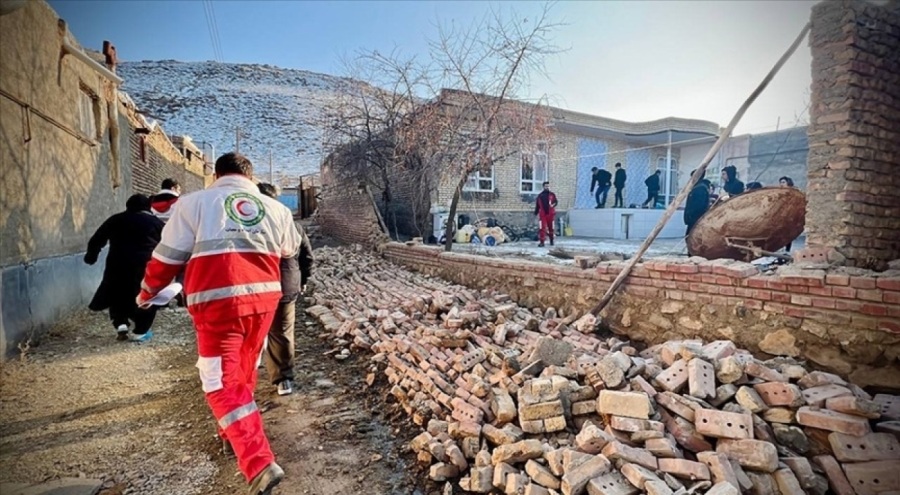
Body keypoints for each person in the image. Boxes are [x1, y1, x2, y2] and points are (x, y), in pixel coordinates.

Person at [137, 153, 300, 495]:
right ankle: (230, 435)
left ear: (215, 174)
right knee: (241, 372)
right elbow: (289, 250)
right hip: (263, 303)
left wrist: (147, 292)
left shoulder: (194, 203)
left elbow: (166, 258)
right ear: (250, 177)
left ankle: (258, 463)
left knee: (219, 383)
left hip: (217, 304)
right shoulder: (277, 209)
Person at [257, 183, 314, 396]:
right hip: (285, 283)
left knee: (252, 327)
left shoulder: (245, 224)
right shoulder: (291, 223)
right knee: (282, 331)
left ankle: (244, 373)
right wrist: (304, 280)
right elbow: (307, 256)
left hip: (252, 284)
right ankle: (283, 379)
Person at [85, 194, 164, 342]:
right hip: (144, 265)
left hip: (117, 263)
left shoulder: (115, 219)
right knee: (144, 295)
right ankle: (141, 330)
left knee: (118, 293)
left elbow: (97, 238)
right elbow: (168, 244)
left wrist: (91, 255)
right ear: (147, 206)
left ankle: (120, 323)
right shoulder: (155, 222)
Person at [684, 169, 712, 236]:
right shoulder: (697, 188)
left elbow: (699, 206)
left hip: (696, 219)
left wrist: (690, 215)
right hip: (693, 219)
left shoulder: (700, 189)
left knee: (692, 238)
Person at [534, 181, 558, 247]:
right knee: (542, 228)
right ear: (543, 187)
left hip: (551, 214)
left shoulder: (552, 195)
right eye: (546, 186)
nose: (547, 187)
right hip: (543, 215)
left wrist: (553, 205)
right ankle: (542, 242)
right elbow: (537, 206)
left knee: (551, 228)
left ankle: (551, 241)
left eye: (548, 186)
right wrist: (535, 213)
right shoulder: (540, 196)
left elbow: (556, 202)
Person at [779, 176, 796, 253]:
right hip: (781, 215)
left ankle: (787, 250)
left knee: (788, 234)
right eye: (780, 182)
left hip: (790, 215)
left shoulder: (793, 192)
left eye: (783, 182)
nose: (781, 184)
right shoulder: (780, 193)